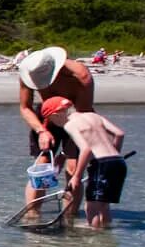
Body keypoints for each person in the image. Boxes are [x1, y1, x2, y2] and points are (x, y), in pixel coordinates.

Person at [16, 46, 93, 204]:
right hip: (47, 119)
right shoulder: (29, 71)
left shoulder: (80, 75)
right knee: (42, 167)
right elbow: (25, 108)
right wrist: (41, 131)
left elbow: (83, 113)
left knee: (73, 168)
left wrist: (64, 154)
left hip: (76, 117)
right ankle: (33, 213)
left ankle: (69, 219)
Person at [41, 96, 127, 229]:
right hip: (118, 162)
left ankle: (95, 237)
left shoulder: (70, 125)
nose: (55, 124)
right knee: (104, 205)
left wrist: (76, 176)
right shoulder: (93, 116)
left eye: (52, 121)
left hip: (101, 164)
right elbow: (120, 134)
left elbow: (86, 149)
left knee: (91, 207)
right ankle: (106, 234)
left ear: (56, 115)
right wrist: (114, 156)